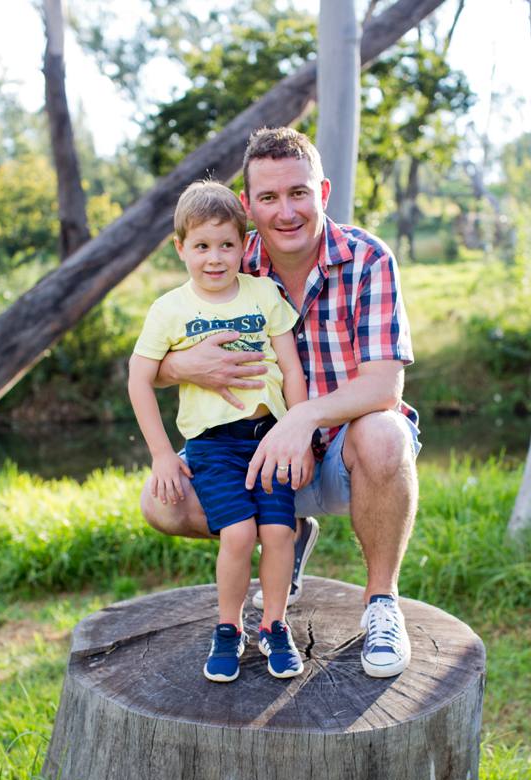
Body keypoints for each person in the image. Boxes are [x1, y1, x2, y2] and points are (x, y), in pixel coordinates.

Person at [140, 127, 421, 679]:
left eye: (298, 193)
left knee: (385, 432)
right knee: (161, 504)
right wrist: (181, 366)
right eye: (268, 198)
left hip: (344, 454)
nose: (285, 211)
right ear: (248, 204)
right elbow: (153, 356)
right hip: (252, 455)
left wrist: (304, 418)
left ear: (324, 190)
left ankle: (382, 604)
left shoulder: (367, 259)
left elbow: (385, 386)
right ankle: (286, 533)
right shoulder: (227, 257)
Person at [128, 180, 307, 683]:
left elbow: (290, 369)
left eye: (227, 244)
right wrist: (163, 456)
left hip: (270, 437)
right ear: (180, 247)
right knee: (238, 531)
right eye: (202, 246)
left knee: (278, 532)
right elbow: (140, 379)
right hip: (213, 445)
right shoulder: (170, 309)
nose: (215, 257)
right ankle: (229, 628)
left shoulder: (263, 294)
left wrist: (299, 431)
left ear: (245, 245)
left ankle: (275, 625)